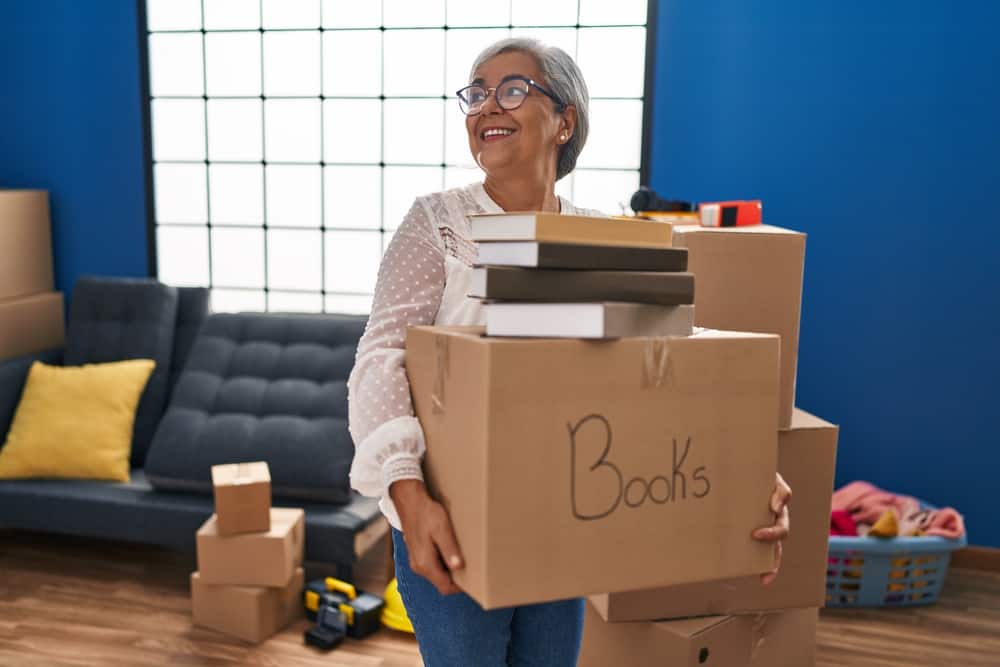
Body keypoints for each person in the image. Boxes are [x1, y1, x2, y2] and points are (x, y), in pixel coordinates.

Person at [347, 37, 792, 666]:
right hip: (451, 518)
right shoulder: (438, 223)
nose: (485, 107)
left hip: (563, 514)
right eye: (475, 94)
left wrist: (741, 472)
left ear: (565, 121)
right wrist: (406, 492)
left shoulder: (595, 232)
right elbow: (380, 357)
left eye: (512, 89)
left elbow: (659, 367)